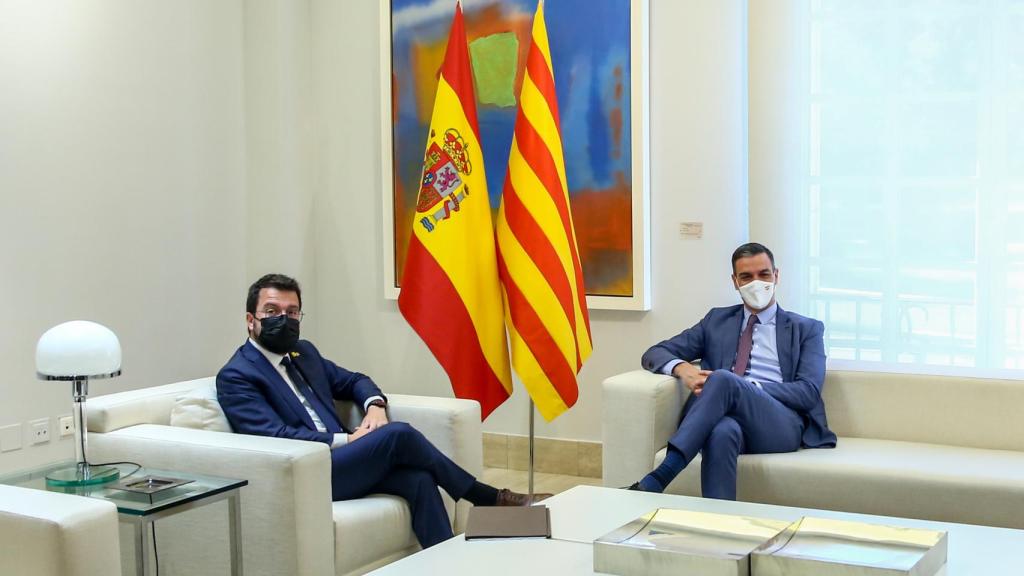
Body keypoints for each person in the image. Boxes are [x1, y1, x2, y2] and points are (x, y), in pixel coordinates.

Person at [217, 273, 548, 549]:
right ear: (251, 320)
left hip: (341, 463)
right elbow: (273, 436)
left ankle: (448, 565)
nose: (283, 320)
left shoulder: (303, 353)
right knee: (398, 434)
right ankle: (487, 497)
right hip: (306, 472)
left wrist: (374, 406)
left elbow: (355, 381)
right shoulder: (238, 375)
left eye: (292, 313)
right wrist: (348, 439)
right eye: (272, 311)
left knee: (419, 479)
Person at [629, 243, 836, 499]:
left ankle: (661, 476)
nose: (756, 283)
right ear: (735, 282)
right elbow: (655, 353)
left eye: (764, 274)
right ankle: (720, 524)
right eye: (746, 277)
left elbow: (808, 392)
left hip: (780, 423)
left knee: (724, 379)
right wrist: (682, 368)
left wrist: (749, 388)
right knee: (721, 431)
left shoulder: (806, 328)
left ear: (776, 276)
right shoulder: (716, 320)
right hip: (726, 418)